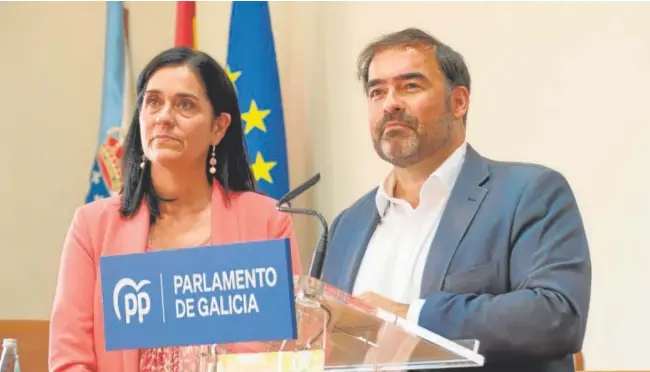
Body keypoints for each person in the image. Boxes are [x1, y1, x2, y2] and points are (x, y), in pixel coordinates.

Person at [321, 28, 591, 372]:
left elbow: (556, 315)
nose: (390, 102)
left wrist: (408, 316)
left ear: (459, 101)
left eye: (410, 86)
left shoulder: (530, 193)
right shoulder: (348, 224)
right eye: (377, 91)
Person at [48, 47, 302, 371]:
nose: (164, 116)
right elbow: (70, 359)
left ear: (219, 128)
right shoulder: (92, 225)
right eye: (153, 102)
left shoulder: (267, 222)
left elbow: (286, 353)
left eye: (185, 104)